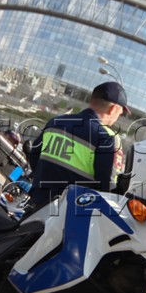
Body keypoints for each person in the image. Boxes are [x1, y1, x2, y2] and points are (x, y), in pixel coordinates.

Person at [25, 80, 126, 212]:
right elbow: (108, 186)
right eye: (120, 114)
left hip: (36, 206)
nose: (117, 118)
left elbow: (34, 157)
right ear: (113, 109)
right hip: (71, 214)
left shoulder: (55, 122)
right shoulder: (108, 137)